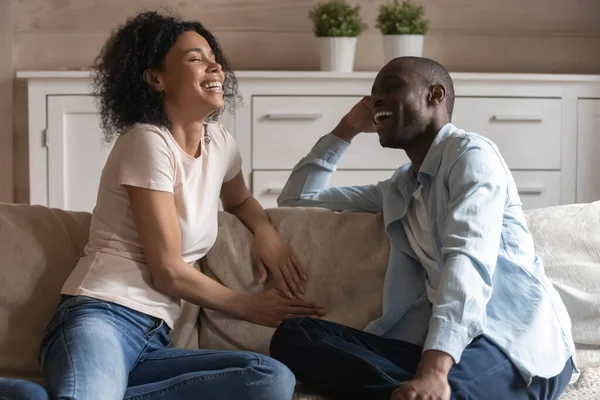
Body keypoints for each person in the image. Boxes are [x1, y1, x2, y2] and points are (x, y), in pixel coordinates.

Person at [39, 11, 325, 400]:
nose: (215, 66)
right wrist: (249, 306)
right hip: (100, 318)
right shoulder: (147, 142)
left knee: (270, 379)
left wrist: (265, 230)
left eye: (214, 57)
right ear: (156, 78)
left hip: (155, 340)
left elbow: (239, 199)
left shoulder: (220, 142)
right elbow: (168, 271)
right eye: (195, 58)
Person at [269, 56, 575, 400]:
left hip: (510, 341)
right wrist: (347, 128)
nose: (376, 100)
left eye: (391, 87)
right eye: (373, 95)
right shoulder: (400, 187)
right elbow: (297, 198)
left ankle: (431, 386)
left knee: (447, 389)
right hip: (433, 348)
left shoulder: (472, 156)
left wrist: (434, 372)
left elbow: (467, 260)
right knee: (296, 336)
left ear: (435, 95)